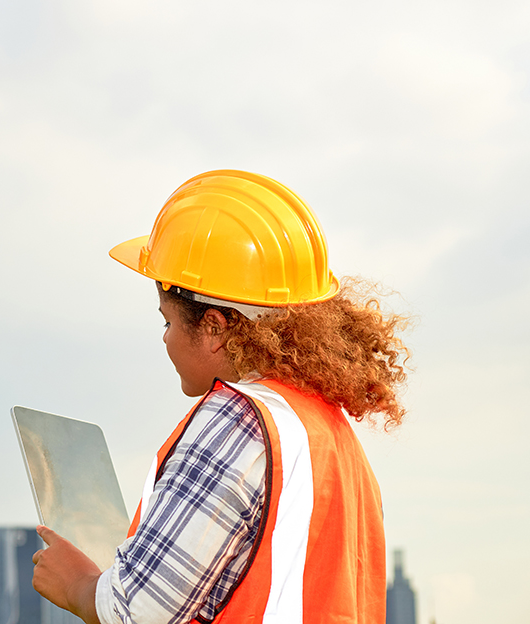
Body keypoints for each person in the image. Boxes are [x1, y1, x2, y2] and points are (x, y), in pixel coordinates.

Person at [31, 169, 410, 624]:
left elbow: (138, 610)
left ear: (213, 327)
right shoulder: (329, 432)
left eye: (167, 321)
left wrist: (77, 584)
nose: (166, 339)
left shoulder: (238, 419)